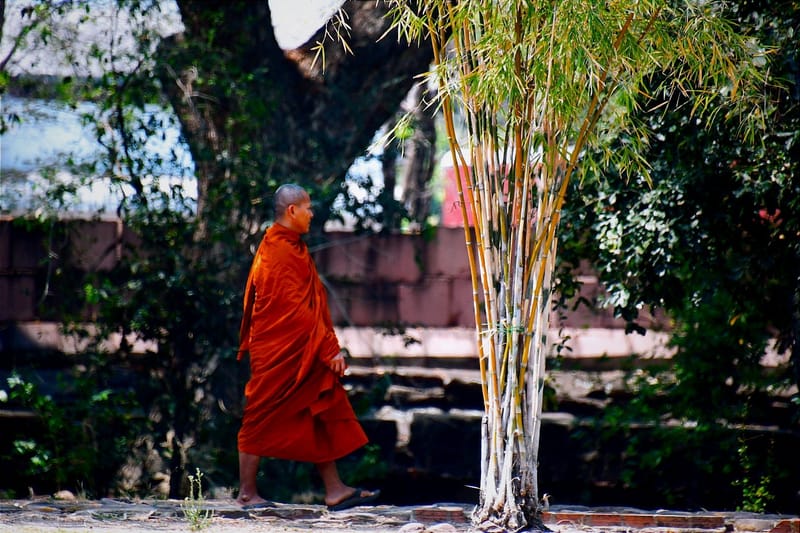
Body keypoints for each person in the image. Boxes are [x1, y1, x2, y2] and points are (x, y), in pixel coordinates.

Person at [235, 184, 380, 511]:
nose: (312, 214)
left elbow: (309, 304)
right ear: (292, 211)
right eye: (307, 208)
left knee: (316, 407)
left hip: (299, 347)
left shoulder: (291, 247)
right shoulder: (278, 251)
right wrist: (329, 348)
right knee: (259, 415)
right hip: (279, 348)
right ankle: (246, 493)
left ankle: (335, 489)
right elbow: (296, 311)